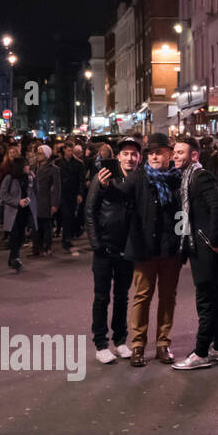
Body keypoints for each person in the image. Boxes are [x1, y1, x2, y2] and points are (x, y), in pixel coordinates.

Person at [110, 134, 186, 366]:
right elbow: (118, 194)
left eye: (159, 152)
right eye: (151, 152)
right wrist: (104, 186)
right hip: (144, 248)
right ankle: (138, 345)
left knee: (167, 297)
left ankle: (163, 344)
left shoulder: (178, 178)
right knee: (142, 297)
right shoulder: (139, 177)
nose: (154, 156)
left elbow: (186, 210)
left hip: (171, 248)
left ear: (169, 155)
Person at [168, 137, 218, 371]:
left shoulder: (200, 176)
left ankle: (201, 352)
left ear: (194, 156)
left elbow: (217, 207)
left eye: (180, 152)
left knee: (206, 301)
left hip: (206, 250)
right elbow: (186, 215)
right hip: (198, 247)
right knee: (215, 299)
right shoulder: (186, 179)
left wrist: (213, 241)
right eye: (175, 152)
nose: (175, 156)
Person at [86, 138, 141, 364]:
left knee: (122, 297)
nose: (130, 158)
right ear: (118, 157)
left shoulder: (140, 180)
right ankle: (101, 343)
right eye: (126, 154)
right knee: (101, 298)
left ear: (139, 158)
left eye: (134, 154)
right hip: (104, 248)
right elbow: (90, 210)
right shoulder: (105, 177)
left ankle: (120, 341)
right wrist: (96, 243)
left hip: (127, 250)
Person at [0, 156, 36, 272]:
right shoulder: (10, 178)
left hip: (25, 211)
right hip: (13, 211)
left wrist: (33, 179)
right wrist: (17, 201)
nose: (28, 167)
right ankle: (16, 258)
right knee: (15, 236)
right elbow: (3, 194)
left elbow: (34, 191)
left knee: (21, 236)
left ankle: (12, 259)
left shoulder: (29, 177)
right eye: (26, 165)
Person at [31, 145, 61, 256]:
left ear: (47, 155)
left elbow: (57, 188)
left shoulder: (54, 169)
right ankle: (36, 247)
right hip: (35, 200)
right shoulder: (34, 167)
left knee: (46, 225)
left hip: (46, 200)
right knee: (35, 225)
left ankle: (47, 246)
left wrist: (54, 204)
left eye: (41, 153)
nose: (38, 155)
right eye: (37, 153)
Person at [59, 143, 86, 255]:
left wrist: (80, 194)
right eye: (68, 150)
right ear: (64, 150)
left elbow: (81, 180)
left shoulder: (79, 164)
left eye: (71, 150)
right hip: (61, 192)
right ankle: (66, 238)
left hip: (72, 193)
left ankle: (67, 238)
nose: (70, 153)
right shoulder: (58, 163)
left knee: (69, 216)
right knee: (65, 215)